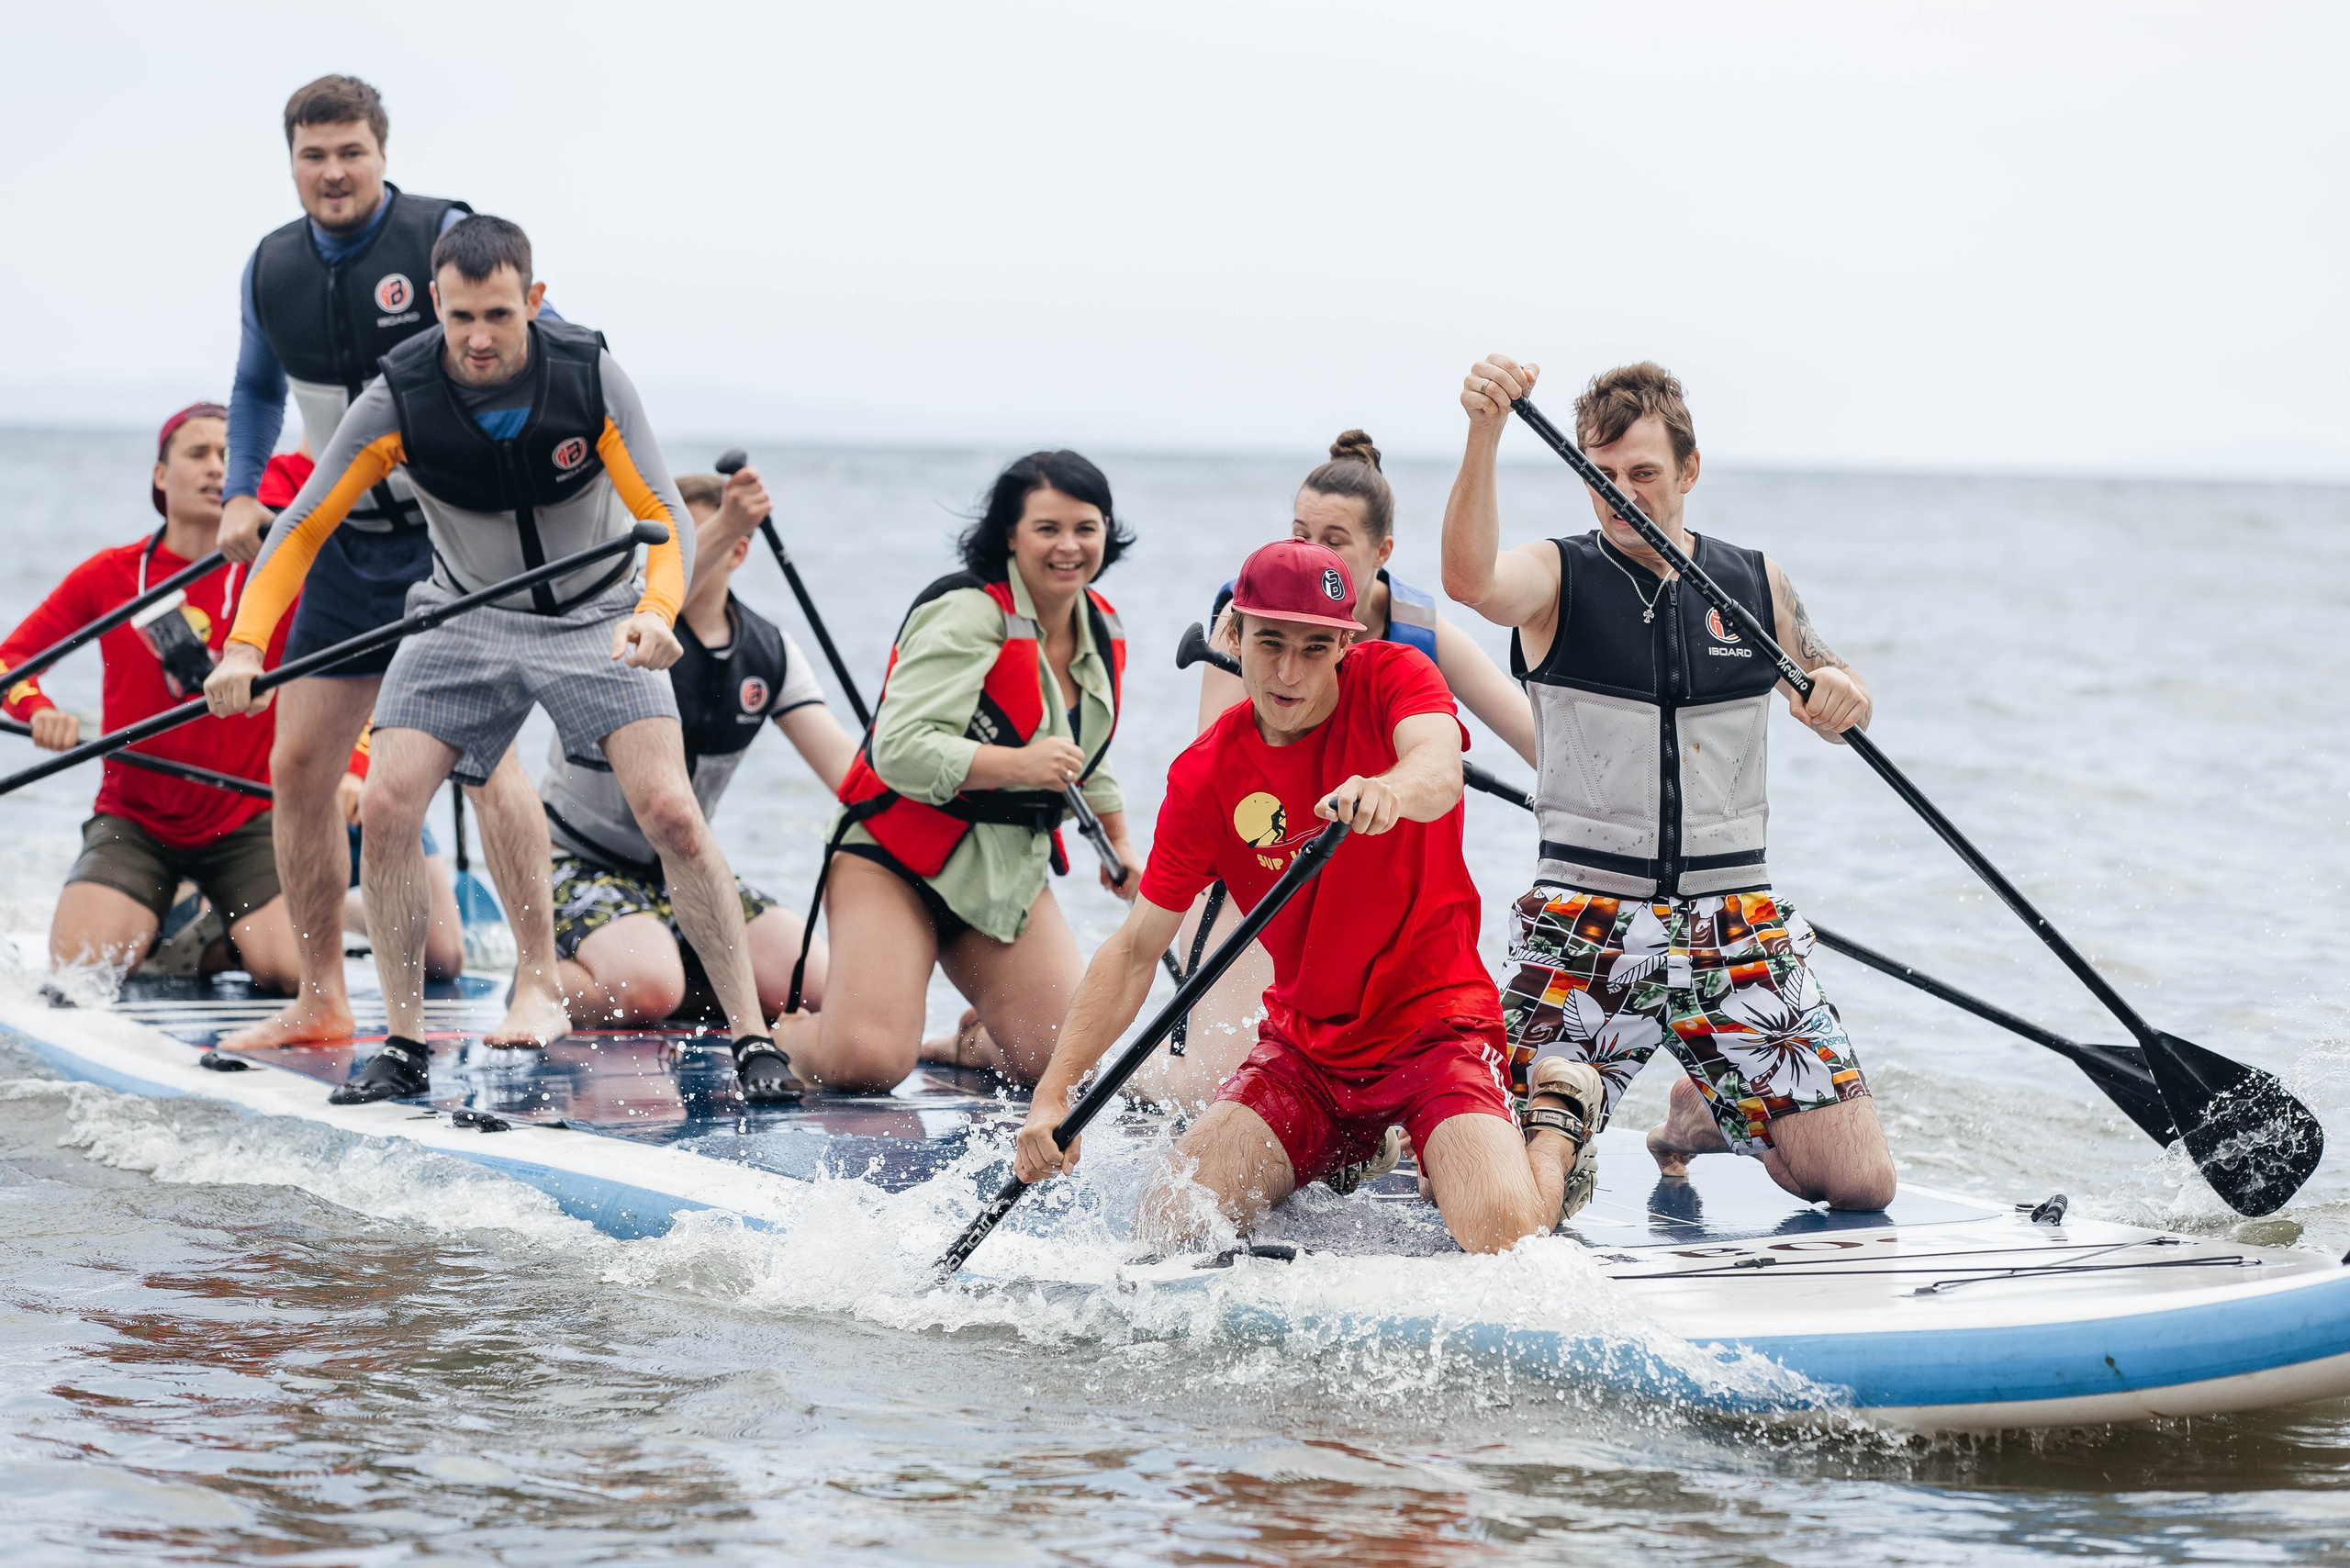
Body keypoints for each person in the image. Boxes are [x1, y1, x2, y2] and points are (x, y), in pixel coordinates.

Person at [205, 214, 796, 1106]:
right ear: (433, 305)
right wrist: (246, 643)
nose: (478, 338)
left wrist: (657, 608)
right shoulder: (398, 395)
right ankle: (401, 1043)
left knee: (672, 810)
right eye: (460, 318)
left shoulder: (587, 374)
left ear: (534, 300)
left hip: (596, 611)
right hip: (462, 615)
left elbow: (666, 512)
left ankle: (754, 1040)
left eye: (499, 315)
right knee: (395, 801)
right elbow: (303, 525)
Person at [1014, 541, 1605, 1253]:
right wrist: (1055, 1092)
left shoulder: (1395, 676)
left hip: (1436, 1029)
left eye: (1314, 647)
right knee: (1171, 1227)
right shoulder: (1205, 774)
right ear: (1233, 635)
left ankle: (1557, 1119)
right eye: (1270, 643)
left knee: (1505, 1246)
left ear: (1345, 646)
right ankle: (1348, 1145)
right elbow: (1137, 949)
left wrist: (1389, 789)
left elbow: (1440, 769)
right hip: (1309, 1052)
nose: (1290, 673)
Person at [1439, 354, 1897, 1210]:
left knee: (1861, 1185)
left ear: (1689, 471)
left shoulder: (1754, 583)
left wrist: (1845, 693)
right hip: (1587, 922)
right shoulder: (1556, 576)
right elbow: (1470, 582)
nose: (1622, 494)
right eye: (1600, 475)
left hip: (1736, 924)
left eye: (1643, 473)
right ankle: (1579, 1105)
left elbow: (1839, 687)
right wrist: (1485, 432)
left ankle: (1699, 1113)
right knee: (1475, 1184)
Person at [216, 73, 564, 1051]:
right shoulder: (270, 267)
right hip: (341, 545)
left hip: (450, 537)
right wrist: (244, 489)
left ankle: (537, 982)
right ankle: (323, 995)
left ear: (382, 153)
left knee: (486, 758)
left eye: (350, 152)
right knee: (298, 766)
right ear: (291, 161)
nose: (332, 172)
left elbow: (537, 346)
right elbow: (252, 388)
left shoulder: (435, 236)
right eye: (313, 155)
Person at [1146, 430, 1541, 1106]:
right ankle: (1111, 1071)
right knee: (1205, 1093)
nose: (1309, 552)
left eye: (1333, 540)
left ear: (1381, 552)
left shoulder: (1419, 632)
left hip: (1371, 902)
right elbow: (1223, 767)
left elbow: (1542, 745)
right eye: (1300, 532)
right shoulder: (1248, 618)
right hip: (1261, 878)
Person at [778, 451, 1137, 1092]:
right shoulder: (967, 613)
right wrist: (1020, 764)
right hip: (896, 856)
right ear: (1010, 535)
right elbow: (899, 748)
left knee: (1068, 1069)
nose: (1069, 546)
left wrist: (1121, 845)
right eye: (1047, 528)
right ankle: (784, 1034)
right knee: (867, 1067)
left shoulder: (1102, 625)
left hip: (1001, 875)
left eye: (1086, 527)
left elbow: (1091, 760)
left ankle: (971, 1041)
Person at [543, 465, 857, 1027]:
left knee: (820, 989)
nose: (662, 562)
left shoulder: (770, 652)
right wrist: (734, 520)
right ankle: (538, 984)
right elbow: (653, 593)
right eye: (661, 544)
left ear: (737, 554)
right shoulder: (620, 625)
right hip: (576, 859)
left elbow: (851, 775)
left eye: (682, 542)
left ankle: (681, 972)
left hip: (685, 869)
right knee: (647, 992)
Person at [0, 404, 300, 991]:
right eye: (198, 454)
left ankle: (209, 928)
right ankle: (167, 912)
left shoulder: (280, 578)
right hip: (136, 821)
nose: (217, 469)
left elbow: (353, 680)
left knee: (292, 973)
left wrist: (354, 769)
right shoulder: (109, 576)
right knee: (79, 979)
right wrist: (40, 711)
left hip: (247, 817)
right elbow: (12, 662)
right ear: (160, 476)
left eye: (230, 457)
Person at [337, 724, 464, 982]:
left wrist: (356, 769)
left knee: (444, 958)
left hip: (376, 790)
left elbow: (387, 702)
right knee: (278, 964)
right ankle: (305, 909)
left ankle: (335, 911)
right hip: (302, 795)